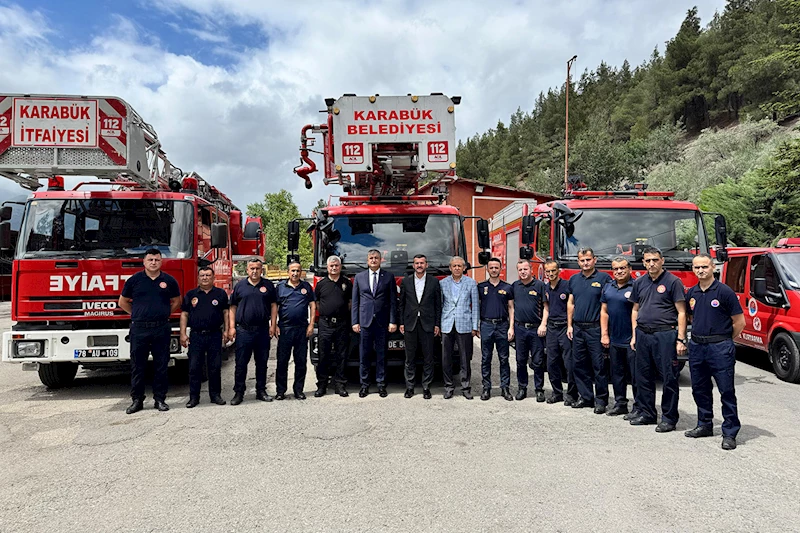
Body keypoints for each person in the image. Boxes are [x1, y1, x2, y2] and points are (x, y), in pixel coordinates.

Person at [684, 253, 745, 450]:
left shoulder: (724, 292)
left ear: (713, 268)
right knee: (699, 389)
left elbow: (739, 322)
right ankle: (704, 424)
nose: (701, 270)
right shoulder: (692, 293)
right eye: (697, 267)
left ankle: (730, 432)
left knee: (726, 390)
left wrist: (724, 339)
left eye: (704, 267)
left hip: (720, 347)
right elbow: (692, 317)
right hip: (697, 346)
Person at [628, 247, 687, 433]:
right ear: (643, 263)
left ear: (662, 260)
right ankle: (647, 413)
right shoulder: (639, 282)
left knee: (669, 377)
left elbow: (682, 312)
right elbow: (635, 309)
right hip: (643, 334)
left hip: (665, 335)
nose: (651, 264)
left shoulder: (673, 282)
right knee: (644, 376)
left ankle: (669, 418)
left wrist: (681, 339)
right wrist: (634, 334)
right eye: (647, 261)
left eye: (654, 260)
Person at [118, 249, 181, 414]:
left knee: (161, 365)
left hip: (161, 327)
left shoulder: (169, 280)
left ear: (161, 262)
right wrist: (137, 314)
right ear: (144, 262)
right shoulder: (134, 280)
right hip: (139, 328)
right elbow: (122, 302)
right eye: (151, 259)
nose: (154, 262)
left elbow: (176, 301)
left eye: (157, 260)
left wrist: (165, 313)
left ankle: (160, 399)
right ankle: (137, 400)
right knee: (138, 366)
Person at [567, 247, 611, 413]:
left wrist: (605, 332)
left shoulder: (604, 279)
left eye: (588, 259)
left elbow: (605, 307)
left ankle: (601, 401)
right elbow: (570, 303)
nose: (585, 263)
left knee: (598, 366)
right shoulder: (573, 280)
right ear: (578, 262)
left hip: (595, 329)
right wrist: (570, 325)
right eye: (582, 260)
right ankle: (585, 397)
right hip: (578, 328)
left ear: (594, 260)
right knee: (579, 365)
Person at [228, 258, 278, 405]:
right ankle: (238, 393)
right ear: (247, 270)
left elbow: (274, 306)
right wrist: (231, 327)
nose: (255, 271)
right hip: (243, 330)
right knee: (241, 363)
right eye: (252, 268)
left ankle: (261, 391)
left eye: (257, 268)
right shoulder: (240, 286)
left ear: (261, 269)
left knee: (262, 363)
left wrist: (273, 325)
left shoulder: (268, 285)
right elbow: (232, 308)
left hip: (262, 329)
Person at [179, 266, 231, 408]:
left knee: (214, 367)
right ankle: (194, 398)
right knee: (194, 367)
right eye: (202, 275)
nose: (205, 278)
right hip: (196, 335)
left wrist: (227, 330)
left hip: (214, 334)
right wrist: (182, 333)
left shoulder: (220, 294)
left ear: (213, 278)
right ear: (198, 278)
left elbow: (226, 313)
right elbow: (184, 314)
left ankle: (215, 395)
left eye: (208, 275)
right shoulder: (191, 295)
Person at [352, 249, 397, 398]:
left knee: (381, 355)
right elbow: (355, 302)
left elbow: (392, 302)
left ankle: (381, 384)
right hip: (365, 322)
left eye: (376, 258)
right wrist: (355, 321)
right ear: (367, 261)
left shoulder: (388, 277)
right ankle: (364, 385)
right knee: (364, 355)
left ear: (380, 260)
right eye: (371, 258)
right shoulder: (359, 277)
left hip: (382, 323)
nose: (373, 260)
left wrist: (392, 321)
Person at [398, 254, 442, 399]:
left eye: (422, 263)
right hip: (410, 324)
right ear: (413, 265)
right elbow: (402, 304)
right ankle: (410, 387)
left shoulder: (434, 282)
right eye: (417, 263)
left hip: (428, 324)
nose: (419, 265)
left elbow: (438, 305)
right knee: (409, 358)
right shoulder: (406, 282)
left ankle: (426, 387)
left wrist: (437, 324)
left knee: (428, 357)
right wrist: (402, 323)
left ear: (426, 265)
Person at [600, 256, 637, 417]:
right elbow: (604, 312)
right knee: (617, 374)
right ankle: (620, 403)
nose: (619, 271)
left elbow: (639, 312)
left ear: (629, 269)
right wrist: (605, 334)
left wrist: (635, 337)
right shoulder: (608, 287)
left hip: (632, 340)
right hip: (614, 338)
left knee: (636, 376)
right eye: (616, 269)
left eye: (622, 268)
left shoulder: (636, 286)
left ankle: (639, 406)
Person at [275, 262, 316, 400]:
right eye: (293, 271)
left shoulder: (306, 287)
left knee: (300, 362)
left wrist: (311, 325)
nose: (295, 273)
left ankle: (298, 390)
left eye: (298, 271)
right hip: (285, 329)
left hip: (301, 329)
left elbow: (312, 305)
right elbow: (274, 306)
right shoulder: (280, 287)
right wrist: (274, 324)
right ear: (288, 272)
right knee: (282, 362)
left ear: (301, 272)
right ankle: (280, 391)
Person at [440, 256, 479, 400]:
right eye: (454, 266)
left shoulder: (471, 283)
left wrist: (475, 326)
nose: (457, 268)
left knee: (464, 358)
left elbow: (475, 306)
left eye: (459, 266)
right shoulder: (443, 283)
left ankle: (465, 387)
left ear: (464, 268)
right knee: (446, 358)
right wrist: (438, 325)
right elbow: (440, 305)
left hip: (464, 325)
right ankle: (449, 386)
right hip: (447, 325)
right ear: (450, 268)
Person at [314, 255, 352, 398]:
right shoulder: (321, 284)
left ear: (340, 267)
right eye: (331, 266)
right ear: (327, 267)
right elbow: (317, 304)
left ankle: (340, 385)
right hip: (326, 323)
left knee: (341, 355)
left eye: (336, 265)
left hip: (342, 323)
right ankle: (322, 385)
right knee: (324, 355)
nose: (334, 268)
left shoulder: (347, 283)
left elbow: (349, 303)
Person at [477, 258, 514, 401]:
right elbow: (476, 306)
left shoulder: (507, 287)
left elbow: (511, 308)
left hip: (502, 326)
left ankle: (505, 388)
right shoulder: (481, 287)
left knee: (504, 358)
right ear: (487, 269)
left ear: (500, 269)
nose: (493, 270)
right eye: (491, 267)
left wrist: (511, 327)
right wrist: (478, 326)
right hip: (486, 325)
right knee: (486, 358)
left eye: (496, 267)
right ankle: (486, 388)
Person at [511, 259, 548, 402]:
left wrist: (543, 324)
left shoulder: (540, 286)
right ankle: (522, 388)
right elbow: (511, 308)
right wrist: (512, 327)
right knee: (520, 361)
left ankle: (539, 389)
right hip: (520, 329)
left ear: (531, 269)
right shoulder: (515, 286)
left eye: (525, 269)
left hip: (535, 329)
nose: (523, 272)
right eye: (520, 270)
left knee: (538, 361)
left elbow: (546, 307)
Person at [543, 260, 577, 405]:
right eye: (548, 271)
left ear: (558, 271)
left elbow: (572, 306)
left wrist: (570, 326)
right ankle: (557, 392)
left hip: (564, 327)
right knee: (551, 362)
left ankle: (571, 394)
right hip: (551, 328)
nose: (551, 274)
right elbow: (546, 307)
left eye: (553, 271)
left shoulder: (567, 286)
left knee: (569, 363)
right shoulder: (545, 288)